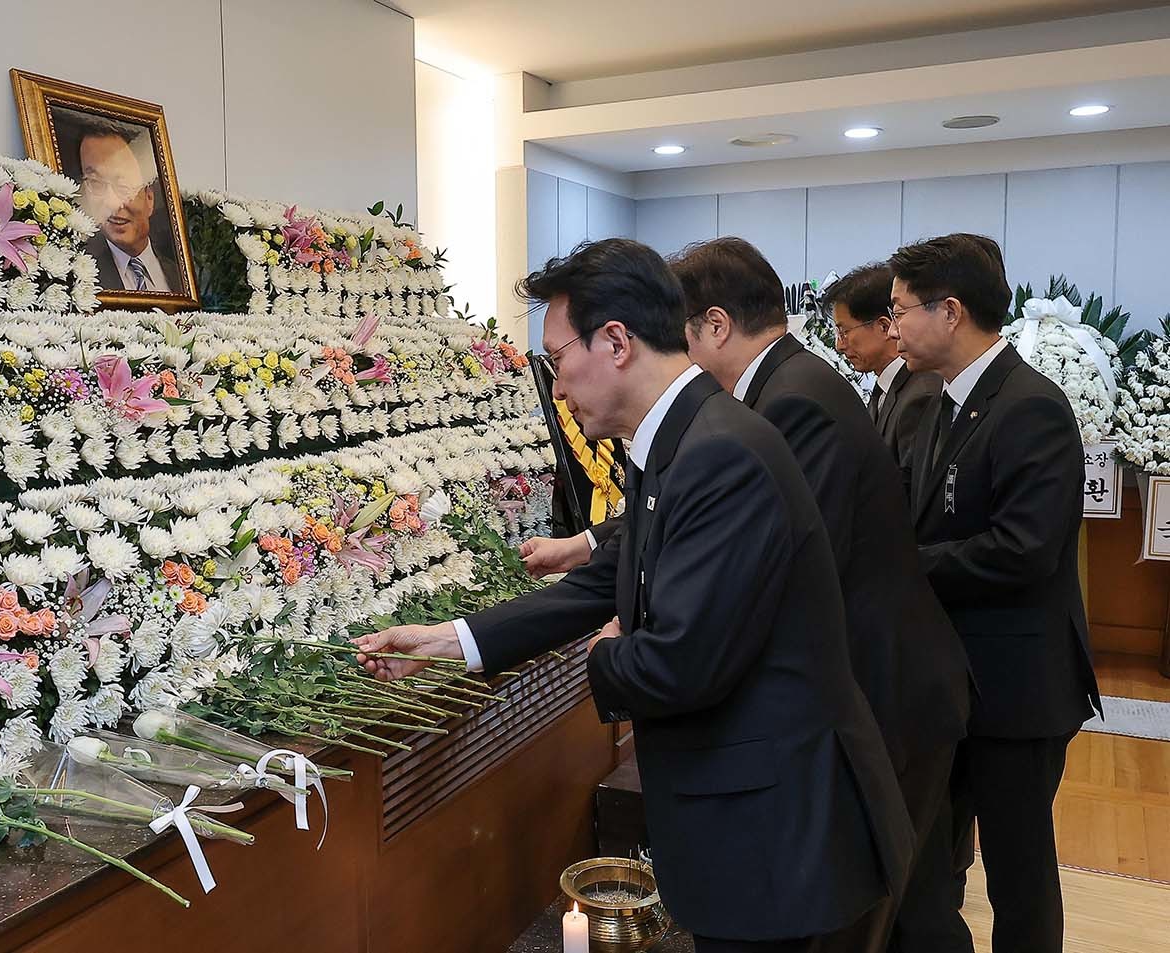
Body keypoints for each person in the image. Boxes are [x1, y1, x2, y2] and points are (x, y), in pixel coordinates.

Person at [354, 238, 913, 952]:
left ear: (616, 342)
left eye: (559, 360)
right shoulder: (681, 439)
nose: (555, 388)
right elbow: (602, 582)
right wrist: (448, 641)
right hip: (751, 828)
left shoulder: (718, 454)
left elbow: (679, 663)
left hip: (776, 840)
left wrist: (606, 655)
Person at [668, 237, 970, 953]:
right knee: (905, 902)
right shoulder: (788, 384)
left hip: (889, 686)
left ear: (714, 325)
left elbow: (796, 559)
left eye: (678, 334)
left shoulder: (791, 400)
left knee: (905, 912)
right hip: (887, 677)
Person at [887, 233, 1102, 953]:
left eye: (900, 310)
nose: (892, 328)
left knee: (1019, 876)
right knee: (935, 860)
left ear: (950, 312)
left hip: (1018, 688)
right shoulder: (935, 401)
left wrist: (905, 565)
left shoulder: (1030, 405)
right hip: (952, 680)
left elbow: (1024, 548)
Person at [823, 263, 943, 473]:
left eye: (844, 332)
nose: (839, 345)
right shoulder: (887, 389)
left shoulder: (920, 395)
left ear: (885, 326)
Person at [75, 121, 179, 293]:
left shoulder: (180, 276)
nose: (111, 202)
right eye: (95, 183)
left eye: (123, 186)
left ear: (149, 197)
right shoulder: (78, 275)